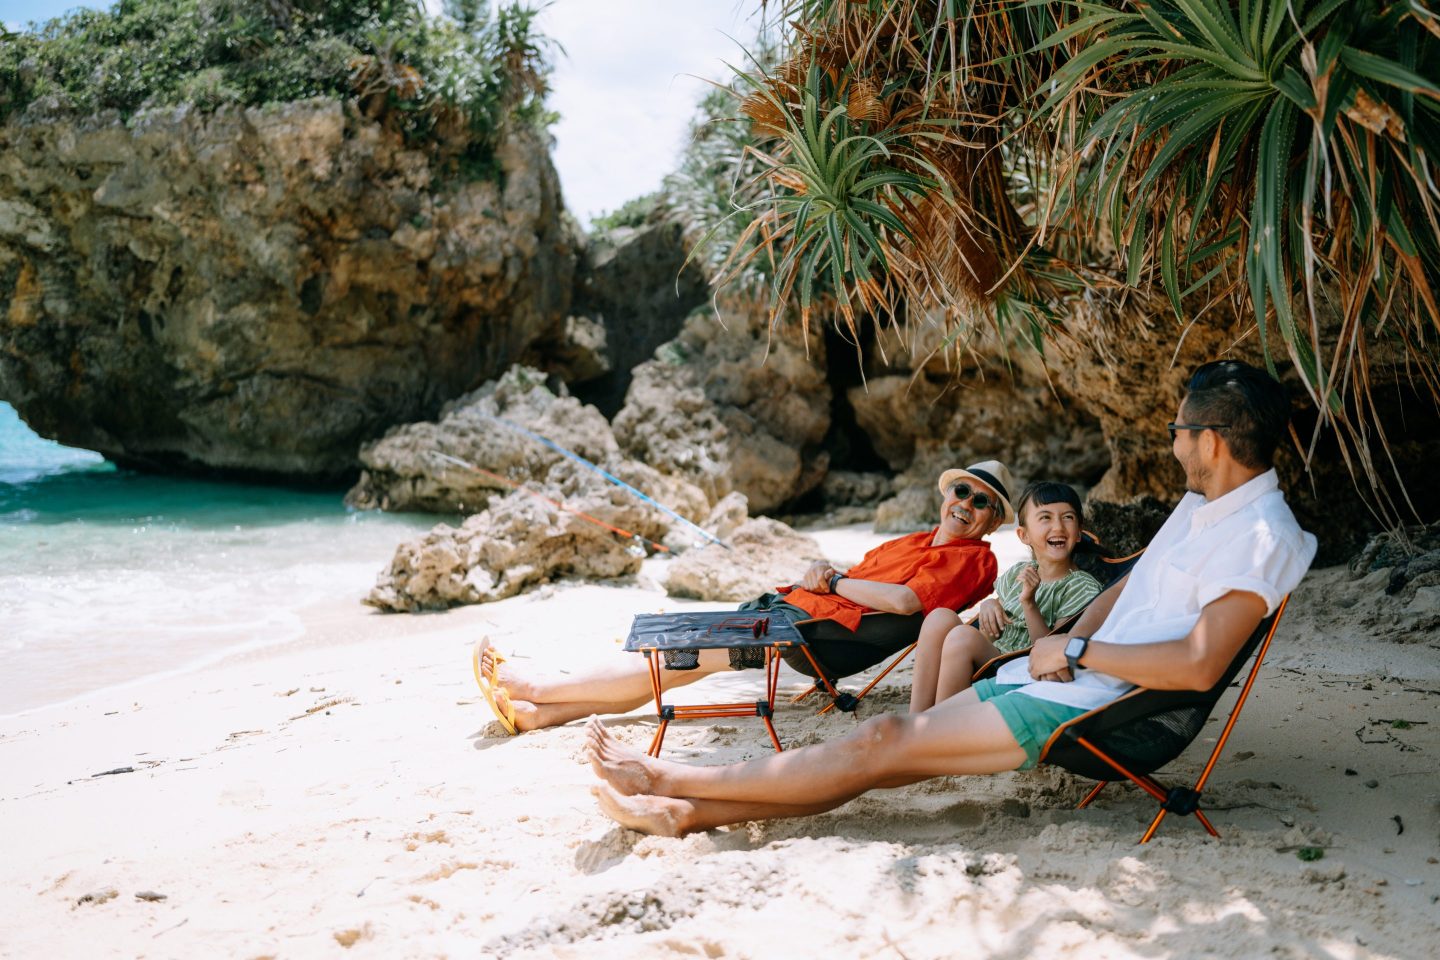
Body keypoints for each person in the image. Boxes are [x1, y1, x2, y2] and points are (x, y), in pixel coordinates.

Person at [586, 359, 1318, 837]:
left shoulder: (1261, 536)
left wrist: (1079, 649)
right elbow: (1129, 590)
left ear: (1214, 440)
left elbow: (1196, 667)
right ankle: (680, 812)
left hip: (1105, 711)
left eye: (1178, 431)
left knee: (883, 741)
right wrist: (1053, 645)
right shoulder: (1203, 505)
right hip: (1061, 676)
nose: (1173, 444)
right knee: (884, 751)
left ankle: (667, 778)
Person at [475, 460, 1017, 733]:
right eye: (961, 491)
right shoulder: (914, 540)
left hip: (815, 640)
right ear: (947, 495)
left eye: (983, 501)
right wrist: (825, 578)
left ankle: (537, 686)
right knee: (684, 659)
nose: (966, 503)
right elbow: (867, 583)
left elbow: (904, 604)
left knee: (678, 650)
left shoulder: (975, 559)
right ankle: (538, 713)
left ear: (993, 521)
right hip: (793, 617)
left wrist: (829, 582)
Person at [908, 481, 1102, 713]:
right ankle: (917, 717)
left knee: (962, 637)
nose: (1058, 526)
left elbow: (1053, 653)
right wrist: (990, 605)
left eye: (1068, 517)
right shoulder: (1018, 573)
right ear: (1024, 535)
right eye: (1045, 518)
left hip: (1024, 667)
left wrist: (1029, 604)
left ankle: (937, 725)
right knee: (939, 617)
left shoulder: (1081, 586)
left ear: (1079, 532)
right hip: (994, 655)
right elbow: (992, 629)